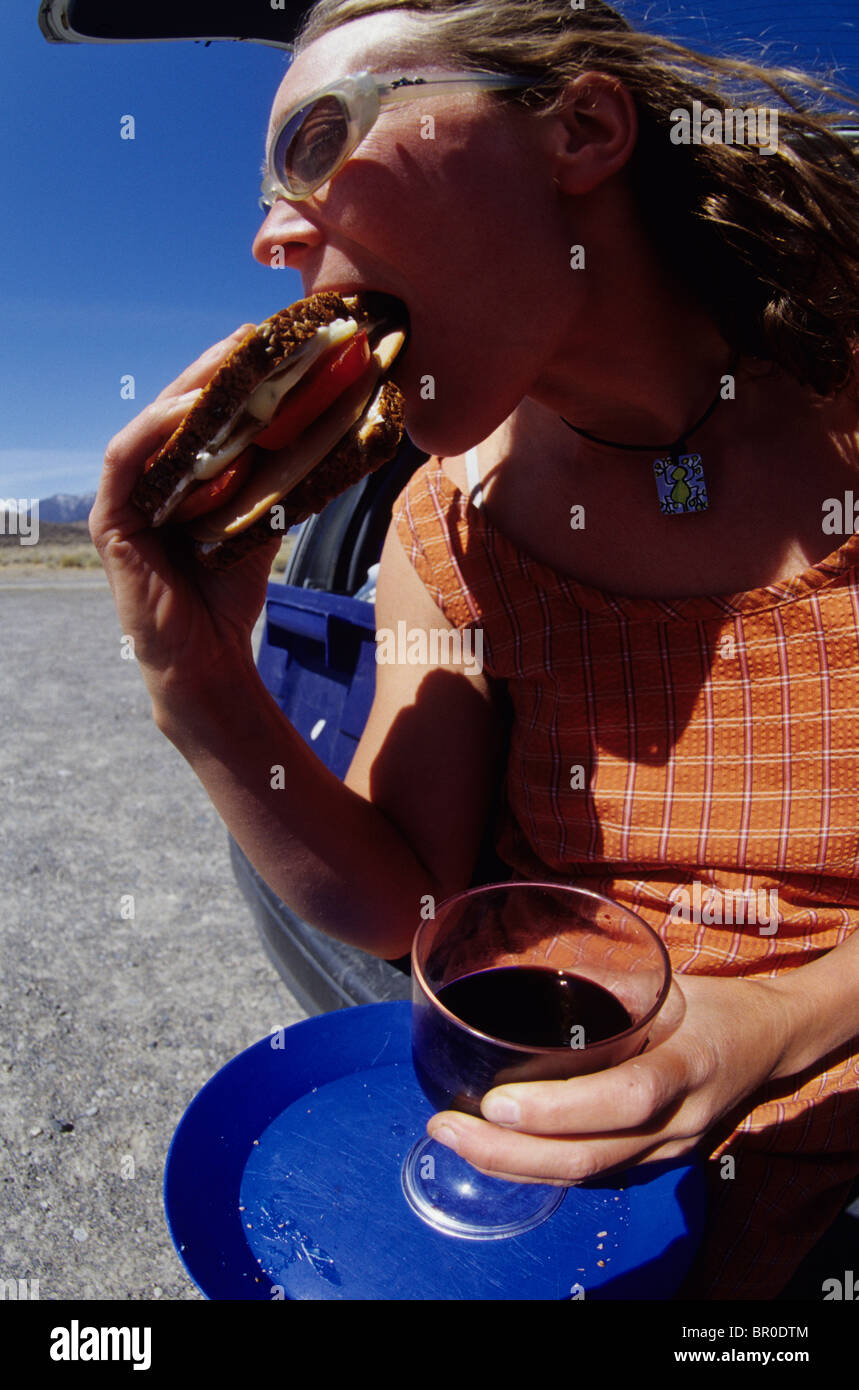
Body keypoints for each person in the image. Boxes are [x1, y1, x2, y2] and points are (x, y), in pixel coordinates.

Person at [90, 0, 859, 1299]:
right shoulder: (446, 523)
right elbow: (407, 905)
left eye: (323, 141)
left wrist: (764, 1027)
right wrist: (201, 684)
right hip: (552, 1106)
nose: (273, 234)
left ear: (584, 128)